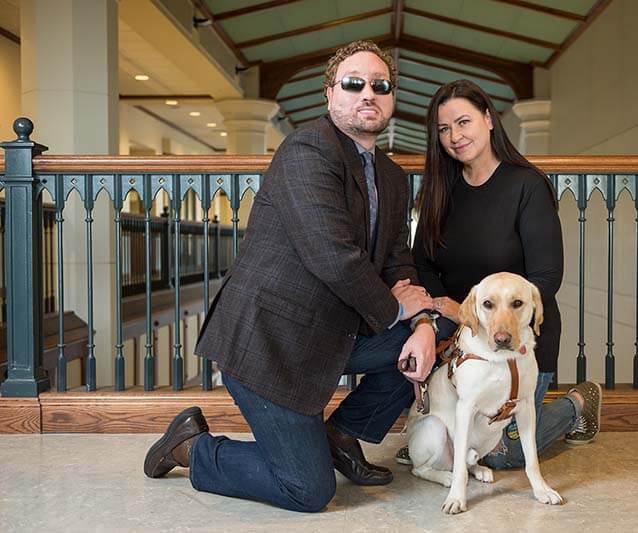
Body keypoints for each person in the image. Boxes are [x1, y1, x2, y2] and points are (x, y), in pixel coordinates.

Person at [142, 40, 439, 512]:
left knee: (433, 338)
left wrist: (422, 323)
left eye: (380, 85)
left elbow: (397, 259)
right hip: (272, 345)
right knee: (308, 490)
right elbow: (333, 256)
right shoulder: (307, 150)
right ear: (330, 93)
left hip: (332, 334)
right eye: (354, 83)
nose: (368, 93)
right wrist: (397, 309)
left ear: (391, 97)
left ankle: (341, 436)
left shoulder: (392, 176)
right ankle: (191, 447)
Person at [395, 79, 602, 469]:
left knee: (502, 455)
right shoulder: (441, 190)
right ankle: (436, 434)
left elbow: (546, 278)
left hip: (517, 337)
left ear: (488, 119)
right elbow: (423, 263)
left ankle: (577, 403)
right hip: (459, 335)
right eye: (444, 129)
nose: (455, 137)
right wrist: (447, 311)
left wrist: (476, 316)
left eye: (464, 122)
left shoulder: (527, 186)